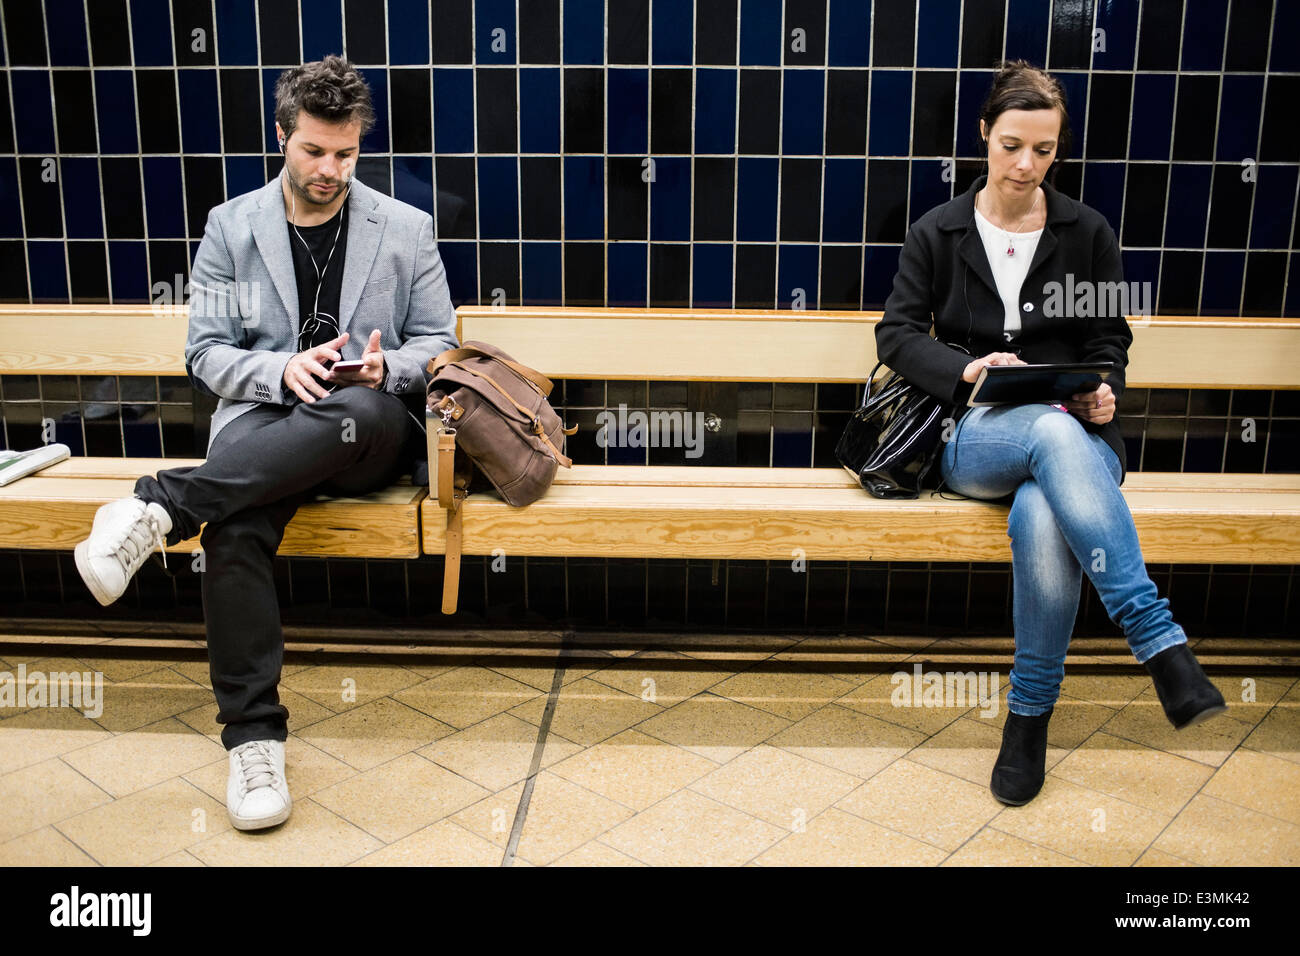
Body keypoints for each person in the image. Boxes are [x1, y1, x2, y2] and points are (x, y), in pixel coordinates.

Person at [74, 56, 458, 830]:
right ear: (281, 135)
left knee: (359, 411)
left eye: (345, 153)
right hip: (264, 425)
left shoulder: (406, 227)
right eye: (314, 150)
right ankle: (253, 744)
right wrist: (281, 369)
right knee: (236, 529)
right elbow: (206, 352)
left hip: (363, 430)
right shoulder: (231, 225)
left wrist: (388, 367)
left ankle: (157, 506)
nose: (330, 169)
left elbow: (442, 344)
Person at [875, 61, 1226, 807]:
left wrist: (1105, 393)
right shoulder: (936, 232)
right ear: (983, 137)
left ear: (1059, 149)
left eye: (1043, 150)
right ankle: (1158, 639)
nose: (1025, 165)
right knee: (1043, 439)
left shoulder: (1086, 232)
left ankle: (1027, 720)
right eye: (1010, 146)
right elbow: (898, 335)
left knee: (1043, 502)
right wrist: (970, 371)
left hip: (1075, 442)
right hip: (975, 438)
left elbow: (1109, 340)